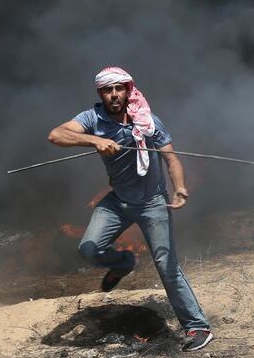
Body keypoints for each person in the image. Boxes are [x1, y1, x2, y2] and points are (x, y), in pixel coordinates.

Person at [48, 66, 213, 352]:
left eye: (118, 89)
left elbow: (172, 160)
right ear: (101, 93)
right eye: (107, 90)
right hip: (118, 202)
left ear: (127, 91)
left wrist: (180, 188)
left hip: (152, 203)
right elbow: (56, 135)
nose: (114, 95)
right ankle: (123, 263)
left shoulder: (149, 121)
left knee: (166, 265)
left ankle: (197, 326)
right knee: (88, 248)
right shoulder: (93, 118)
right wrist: (94, 139)